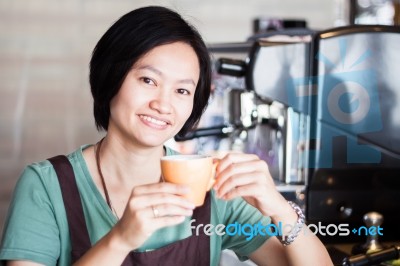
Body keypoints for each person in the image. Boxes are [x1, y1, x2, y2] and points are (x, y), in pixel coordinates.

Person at [0, 6, 333, 266]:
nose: (163, 104)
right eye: (148, 80)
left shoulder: (212, 189)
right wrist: (121, 239)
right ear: (111, 76)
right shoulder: (46, 185)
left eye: (182, 90)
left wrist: (281, 210)